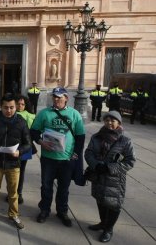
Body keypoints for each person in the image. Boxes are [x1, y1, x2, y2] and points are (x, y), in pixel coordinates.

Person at [30, 87, 85, 227]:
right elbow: (34, 131)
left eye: (60, 97)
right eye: (54, 97)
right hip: (48, 159)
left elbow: (80, 137)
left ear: (66, 98)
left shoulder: (74, 114)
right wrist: (41, 142)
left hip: (66, 159)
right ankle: (44, 210)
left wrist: (76, 154)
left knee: (63, 188)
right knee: (46, 186)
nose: (56, 99)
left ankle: (62, 211)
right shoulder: (44, 114)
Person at [84, 111, 135, 243]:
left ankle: (109, 229)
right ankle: (103, 223)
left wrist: (110, 168)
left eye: (113, 120)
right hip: (98, 175)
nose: (109, 123)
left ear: (119, 123)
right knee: (100, 199)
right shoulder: (96, 137)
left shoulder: (125, 140)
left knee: (113, 204)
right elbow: (88, 153)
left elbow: (130, 161)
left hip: (115, 179)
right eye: (107, 120)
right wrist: (95, 165)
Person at [0, 93, 31, 229]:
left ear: (16, 107)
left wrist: (19, 152)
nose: (8, 111)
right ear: (0, 107)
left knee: (13, 193)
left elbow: (28, 144)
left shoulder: (21, 122)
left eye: (11, 107)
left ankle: (13, 214)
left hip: (13, 164)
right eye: (5, 108)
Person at [15, 95, 36, 205]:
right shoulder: (10, 112)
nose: (20, 106)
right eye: (18, 103)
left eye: (23, 104)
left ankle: (19, 193)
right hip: (12, 146)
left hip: (24, 147)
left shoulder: (30, 116)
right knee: (11, 171)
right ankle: (12, 192)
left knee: (21, 171)